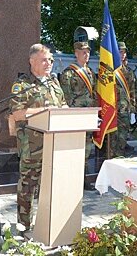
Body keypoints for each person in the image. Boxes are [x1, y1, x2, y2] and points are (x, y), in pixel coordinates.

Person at [9, 43, 67, 231]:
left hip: (54, 145)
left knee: (49, 186)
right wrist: (44, 110)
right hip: (31, 147)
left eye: (50, 59)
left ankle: (46, 224)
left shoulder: (54, 83)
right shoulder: (22, 85)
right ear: (32, 61)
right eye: (44, 59)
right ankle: (23, 227)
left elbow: (63, 105)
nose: (49, 63)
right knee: (28, 187)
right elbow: (17, 114)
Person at [59, 41, 97, 189]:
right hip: (76, 116)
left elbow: (93, 94)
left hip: (88, 115)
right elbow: (66, 98)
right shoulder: (68, 73)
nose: (86, 54)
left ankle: (84, 179)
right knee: (74, 148)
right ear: (76, 53)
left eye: (88, 52)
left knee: (87, 148)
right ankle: (72, 178)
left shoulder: (91, 73)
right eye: (83, 52)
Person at [106, 41, 136, 157]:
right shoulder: (109, 70)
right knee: (111, 140)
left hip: (124, 111)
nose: (122, 54)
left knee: (122, 139)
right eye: (120, 51)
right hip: (111, 109)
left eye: (124, 52)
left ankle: (119, 160)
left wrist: (133, 110)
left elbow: (132, 91)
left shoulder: (128, 72)